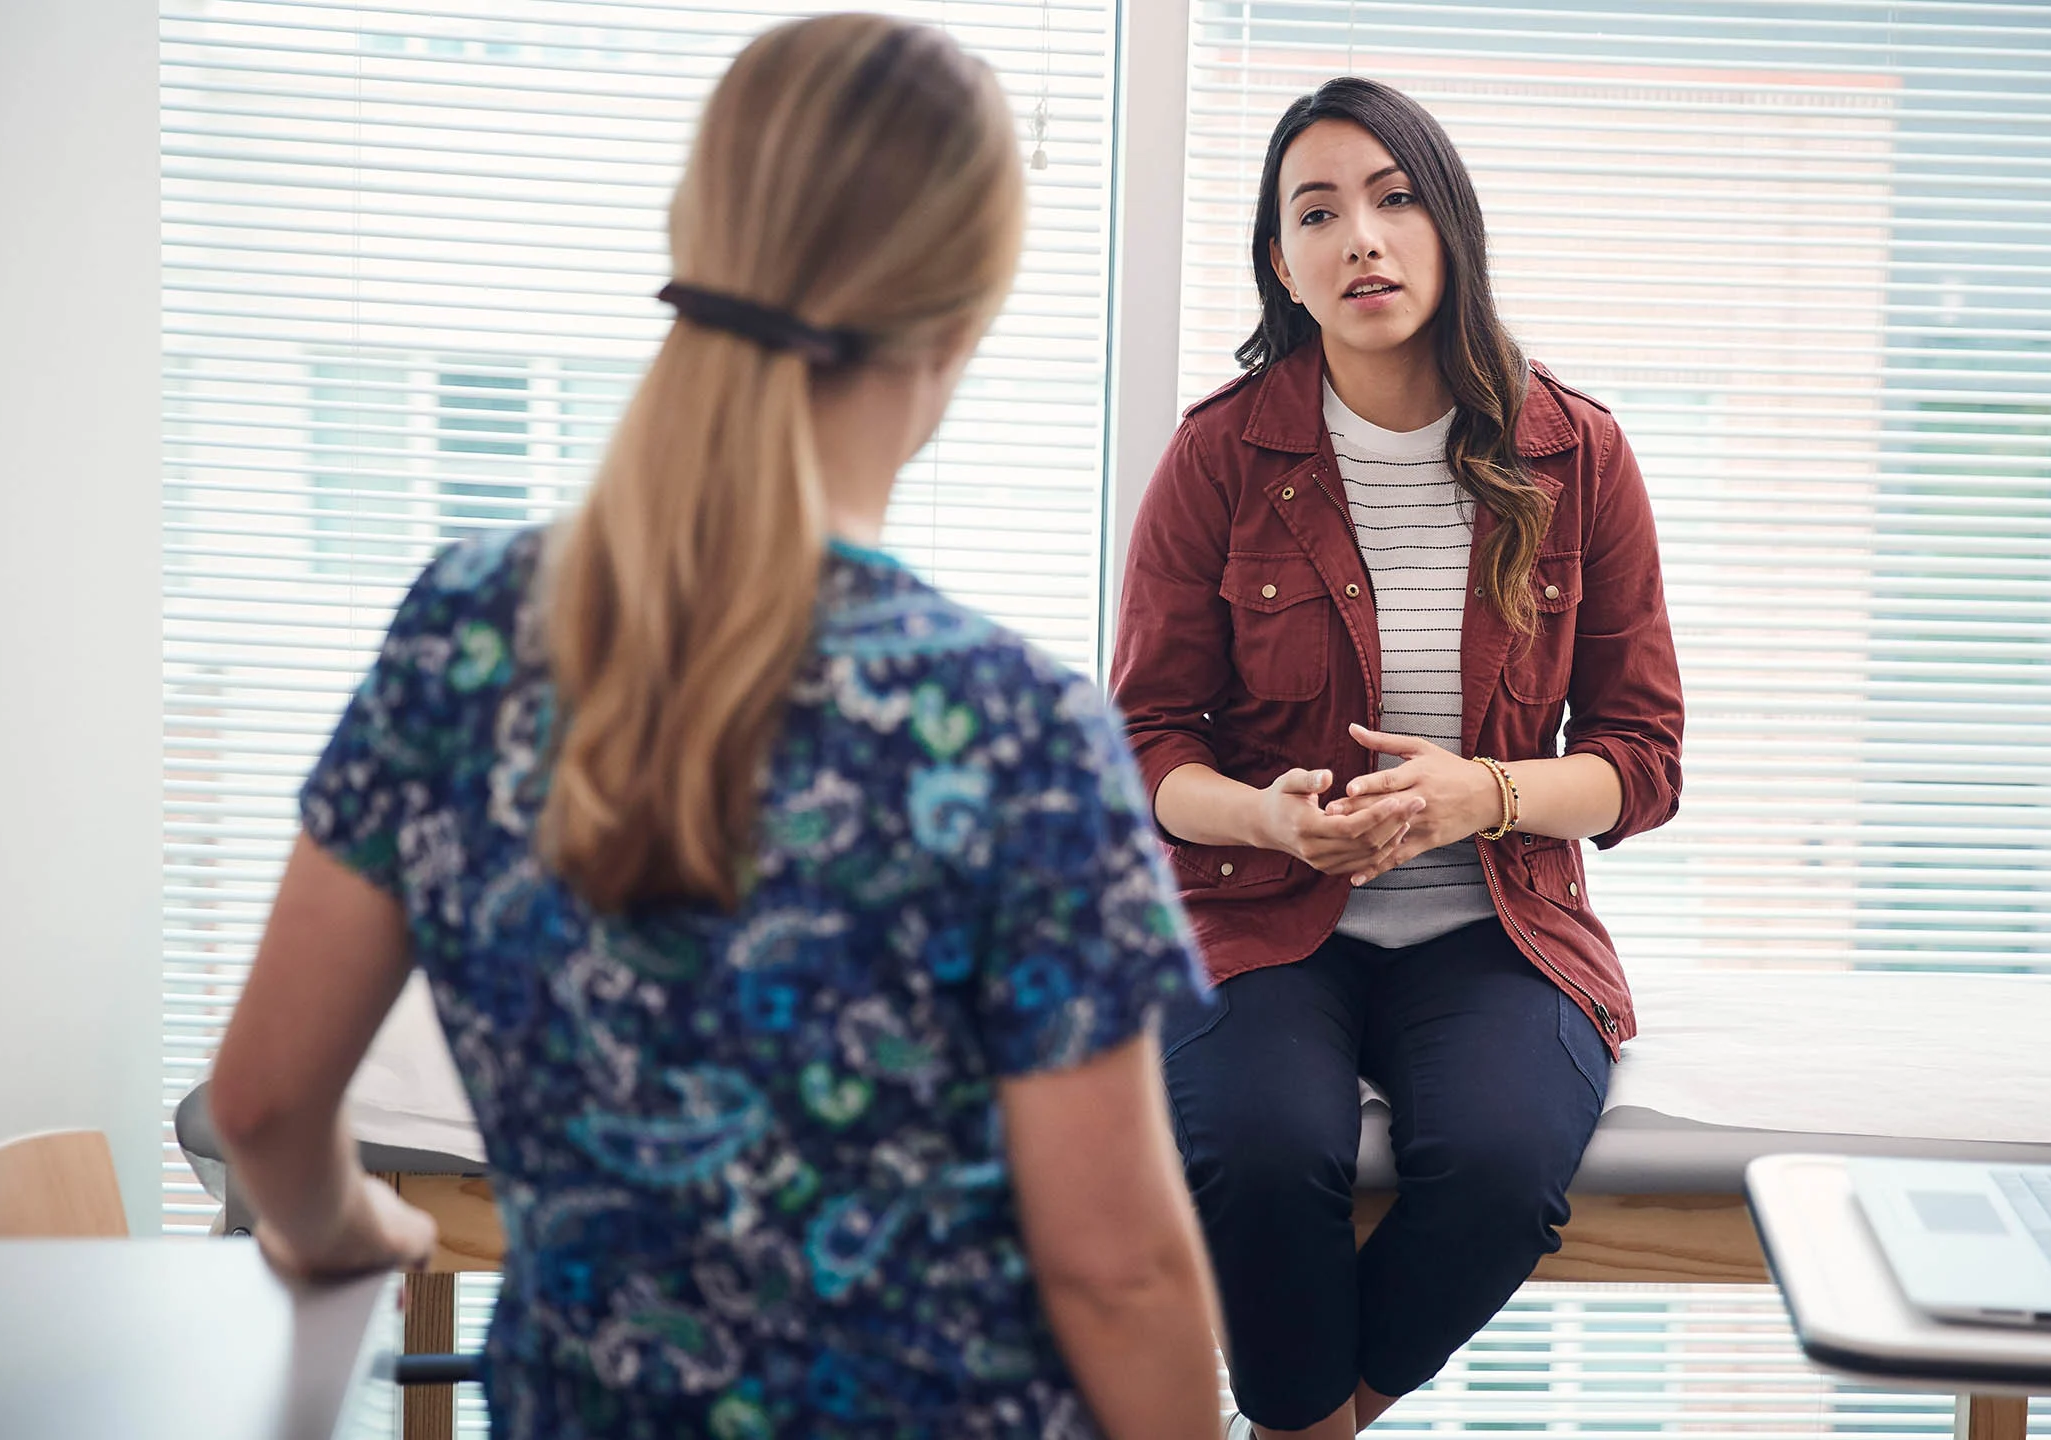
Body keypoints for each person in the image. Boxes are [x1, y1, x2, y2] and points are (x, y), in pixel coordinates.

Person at [207, 16, 1222, 1438]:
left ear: (702, 245)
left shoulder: (464, 634)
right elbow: (1117, 1274)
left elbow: (258, 1100)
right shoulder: (1011, 736)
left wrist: (333, 1232)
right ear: (960, 324)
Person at [1110, 77, 1685, 1438]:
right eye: (1319, 212)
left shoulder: (1580, 454)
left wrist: (1479, 794)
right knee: (1256, 1156)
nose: (1361, 236)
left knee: (1497, 1165)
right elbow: (1142, 746)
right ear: (1282, 264)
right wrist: (1269, 818)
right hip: (1259, 921)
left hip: (1498, 923)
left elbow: (1641, 758)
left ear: (1449, 225)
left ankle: (1303, 1425)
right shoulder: (1218, 457)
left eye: (1394, 196)